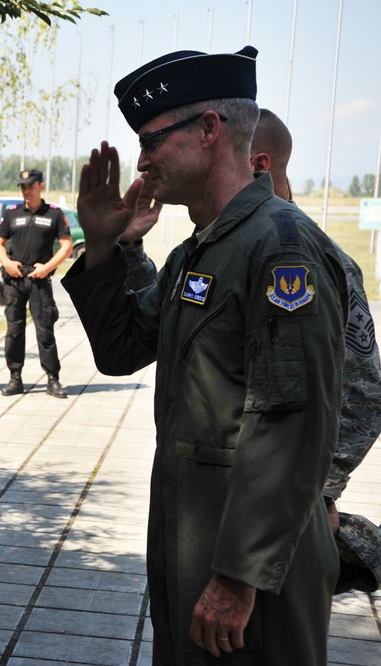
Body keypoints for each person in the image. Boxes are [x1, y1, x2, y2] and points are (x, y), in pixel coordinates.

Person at [63, 47, 347, 664]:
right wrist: (102, 247)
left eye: (152, 140)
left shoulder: (280, 249)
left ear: (210, 130)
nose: (140, 160)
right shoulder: (200, 250)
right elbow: (119, 351)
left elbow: (291, 423)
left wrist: (239, 575)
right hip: (196, 541)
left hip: (254, 569)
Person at [119, 105, 381, 599]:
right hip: (215, 516)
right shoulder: (212, 243)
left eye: (152, 143)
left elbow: (360, 396)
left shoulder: (293, 252)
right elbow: (152, 328)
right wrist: (126, 250)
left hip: (276, 528)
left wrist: (319, 493)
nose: (142, 162)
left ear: (257, 164)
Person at [0, 168, 72, 398]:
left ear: (41, 186)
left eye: (31, 186)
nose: (26, 191)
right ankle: (15, 378)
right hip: (14, 280)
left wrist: (47, 268)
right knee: (14, 332)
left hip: (40, 280)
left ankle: (52, 379)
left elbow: (66, 246)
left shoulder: (54, 214)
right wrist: (7, 263)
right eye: (23, 187)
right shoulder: (11, 213)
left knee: (45, 332)